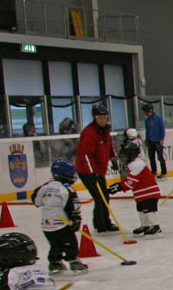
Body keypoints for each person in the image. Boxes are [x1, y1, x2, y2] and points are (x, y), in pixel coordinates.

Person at [32, 159, 86, 274]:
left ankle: (55, 263)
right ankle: (73, 261)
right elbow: (73, 206)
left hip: (46, 224)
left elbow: (36, 201)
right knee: (70, 243)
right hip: (62, 224)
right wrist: (76, 218)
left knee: (55, 244)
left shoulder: (45, 186)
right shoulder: (67, 189)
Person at [75, 104, 116, 234]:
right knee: (99, 197)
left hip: (99, 171)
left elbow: (109, 145)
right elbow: (86, 155)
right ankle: (101, 224)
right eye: (100, 117)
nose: (103, 120)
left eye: (104, 117)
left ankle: (104, 222)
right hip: (87, 171)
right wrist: (93, 173)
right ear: (95, 118)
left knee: (104, 196)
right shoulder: (89, 133)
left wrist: (113, 158)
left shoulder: (105, 130)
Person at [109, 142, 163, 238]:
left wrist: (118, 187)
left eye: (124, 155)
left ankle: (156, 226)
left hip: (149, 193)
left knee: (149, 210)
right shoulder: (133, 164)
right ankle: (145, 226)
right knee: (141, 209)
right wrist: (118, 186)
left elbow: (130, 182)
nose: (123, 157)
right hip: (142, 194)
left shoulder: (137, 165)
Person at [142, 104, 167, 179]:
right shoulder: (146, 120)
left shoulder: (158, 119)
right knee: (151, 157)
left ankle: (164, 172)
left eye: (145, 111)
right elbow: (147, 131)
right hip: (150, 141)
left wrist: (161, 139)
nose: (144, 113)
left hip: (158, 141)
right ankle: (154, 172)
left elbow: (162, 129)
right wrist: (146, 140)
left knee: (160, 157)